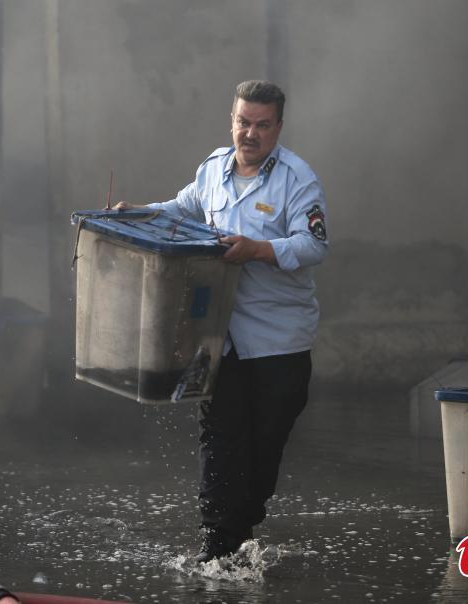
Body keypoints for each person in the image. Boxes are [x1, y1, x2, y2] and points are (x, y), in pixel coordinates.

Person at [115, 80, 328, 562]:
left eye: (261, 125)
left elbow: (315, 245)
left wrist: (258, 250)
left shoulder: (298, 179)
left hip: (279, 342)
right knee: (219, 438)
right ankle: (216, 547)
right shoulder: (213, 169)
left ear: (278, 127)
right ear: (231, 120)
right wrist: (140, 214)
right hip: (219, 337)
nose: (249, 133)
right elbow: (183, 207)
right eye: (242, 122)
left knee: (264, 446)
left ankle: (241, 524)